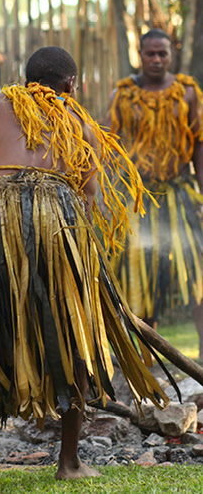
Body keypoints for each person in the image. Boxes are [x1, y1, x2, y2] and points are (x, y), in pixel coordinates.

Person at [0, 46, 172, 489]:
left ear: (25, 78)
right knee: (75, 331)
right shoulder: (82, 124)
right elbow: (89, 196)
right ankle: (68, 463)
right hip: (58, 215)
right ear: (70, 85)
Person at [106, 29, 203, 360]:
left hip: (180, 194)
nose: (157, 59)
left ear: (170, 54)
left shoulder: (187, 92)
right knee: (143, 277)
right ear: (140, 53)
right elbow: (109, 147)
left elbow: (199, 144)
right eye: (151, 54)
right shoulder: (124, 94)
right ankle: (148, 362)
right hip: (138, 198)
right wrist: (109, 196)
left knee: (197, 276)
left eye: (163, 54)